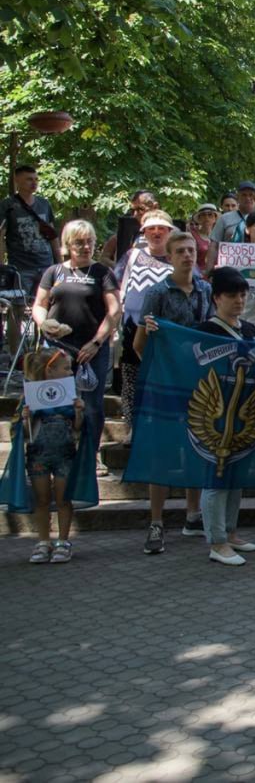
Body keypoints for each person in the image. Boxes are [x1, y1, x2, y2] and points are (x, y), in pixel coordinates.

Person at [136, 231, 212, 554]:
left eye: (191, 250)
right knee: (163, 453)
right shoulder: (156, 293)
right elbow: (139, 344)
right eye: (180, 251)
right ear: (169, 257)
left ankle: (193, 515)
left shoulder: (206, 290)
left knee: (197, 447)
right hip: (166, 386)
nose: (187, 256)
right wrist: (162, 366)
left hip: (198, 384)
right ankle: (156, 522)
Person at [32, 220, 120, 458]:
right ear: (68, 244)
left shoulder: (103, 273)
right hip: (57, 349)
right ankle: (55, 455)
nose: (85, 247)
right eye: (79, 242)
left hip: (92, 349)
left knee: (92, 406)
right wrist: (43, 323)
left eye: (89, 241)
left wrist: (97, 342)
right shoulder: (54, 272)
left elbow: (114, 311)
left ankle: (89, 457)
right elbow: (39, 305)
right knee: (53, 402)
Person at [193, 267, 255, 565]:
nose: (239, 301)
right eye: (232, 295)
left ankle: (231, 532)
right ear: (217, 298)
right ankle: (217, 542)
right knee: (216, 478)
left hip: (245, 414)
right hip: (214, 414)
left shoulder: (251, 330)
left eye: (243, 295)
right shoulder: (204, 330)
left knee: (236, 477)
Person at [18, 348, 86, 563]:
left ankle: (63, 541)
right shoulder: (30, 397)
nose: (70, 372)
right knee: (42, 499)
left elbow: (78, 428)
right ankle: (43, 541)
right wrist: (25, 418)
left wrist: (79, 412)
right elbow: (25, 433)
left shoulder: (71, 396)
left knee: (63, 498)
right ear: (50, 371)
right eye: (66, 368)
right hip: (38, 454)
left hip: (65, 453)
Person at [117, 210, 175, 435]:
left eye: (162, 228)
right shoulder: (132, 256)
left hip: (164, 332)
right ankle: (132, 427)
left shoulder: (177, 257)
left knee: (161, 378)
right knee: (132, 378)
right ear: (144, 232)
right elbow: (118, 286)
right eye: (151, 228)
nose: (156, 232)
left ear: (170, 232)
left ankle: (158, 428)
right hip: (132, 329)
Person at [0, 165, 59, 357]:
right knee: (16, 310)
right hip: (20, 267)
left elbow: (52, 235)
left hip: (45, 265)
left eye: (35, 179)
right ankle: (16, 356)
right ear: (17, 181)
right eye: (28, 179)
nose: (33, 183)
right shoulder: (8, 205)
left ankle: (43, 352)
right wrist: (2, 266)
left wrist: (59, 263)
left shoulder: (44, 204)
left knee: (45, 309)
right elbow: (1, 235)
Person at [207, 181, 255, 272]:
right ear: (238, 197)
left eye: (251, 195)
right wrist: (209, 270)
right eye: (244, 195)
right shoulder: (224, 218)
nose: (248, 198)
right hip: (229, 268)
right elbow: (214, 245)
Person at [100, 190, 155, 267]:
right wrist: (120, 268)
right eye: (133, 210)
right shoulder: (123, 235)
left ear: (155, 207)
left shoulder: (167, 234)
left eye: (140, 209)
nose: (135, 214)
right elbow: (104, 258)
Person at [188, 203, 218, 278]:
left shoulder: (220, 235)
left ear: (215, 218)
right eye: (203, 215)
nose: (206, 218)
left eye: (210, 215)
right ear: (199, 218)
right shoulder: (192, 235)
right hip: (198, 275)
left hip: (218, 275)